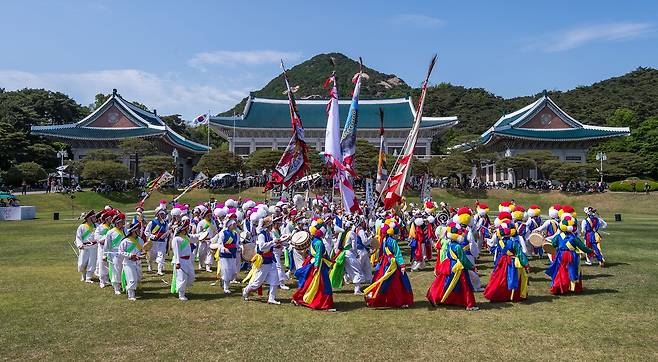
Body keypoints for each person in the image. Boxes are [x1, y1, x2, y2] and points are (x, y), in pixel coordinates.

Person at [427, 222, 478, 311]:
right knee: (464, 285)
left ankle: (440, 297)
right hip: (457, 267)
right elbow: (463, 260)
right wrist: (472, 267)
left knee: (445, 283)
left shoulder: (450, 245)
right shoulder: (458, 247)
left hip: (449, 265)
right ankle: (469, 303)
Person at [364, 219, 413, 308]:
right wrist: (402, 265)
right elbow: (397, 254)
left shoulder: (383, 239)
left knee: (381, 280)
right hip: (392, 264)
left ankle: (377, 298)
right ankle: (398, 300)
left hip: (384, 263)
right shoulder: (392, 241)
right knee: (396, 283)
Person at [292, 219, 335, 310]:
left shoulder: (314, 240)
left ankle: (299, 298)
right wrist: (316, 267)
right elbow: (319, 255)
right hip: (319, 266)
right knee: (324, 284)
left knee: (309, 284)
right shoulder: (319, 242)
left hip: (315, 264)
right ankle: (325, 304)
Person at [545, 215, 593, 295]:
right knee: (572, 271)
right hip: (571, 256)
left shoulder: (558, 236)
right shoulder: (574, 238)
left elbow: (553, 244)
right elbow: (582, 247)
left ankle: (558, 287)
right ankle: (573, 287)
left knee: (560, 271)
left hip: (561, 255)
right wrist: (590, 251)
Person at [483, 221, 529, 302]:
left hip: (501, 261)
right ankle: (511, 295)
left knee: (499, 278)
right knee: (511, 278)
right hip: (511, 262)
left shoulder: (499, 242)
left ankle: (496, 294)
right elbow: (520, 254)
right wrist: (526, 264)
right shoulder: (513, 243)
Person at [242, 216, 281, 305]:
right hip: (264, 261)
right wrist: (273, 242)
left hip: (271, 260)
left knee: (275, 279)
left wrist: (277, 244)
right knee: (257, 282)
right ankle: (246, 290)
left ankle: (271, 298)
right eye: (271, 224)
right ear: (268, 225)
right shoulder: (262, 235)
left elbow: (270, 245)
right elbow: (262, 247)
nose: (273, 226)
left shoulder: (269, 234)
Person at [171, 218, 198, 301]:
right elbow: (176, 252)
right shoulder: (176, 239)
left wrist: (203, 235)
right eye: (186, 228)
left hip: (188, 260)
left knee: (191, 276)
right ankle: (181, 294)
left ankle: (182, 289)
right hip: (181, 260)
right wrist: (177, 262)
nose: (187, 229)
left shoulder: (186, 237)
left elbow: (194, 238)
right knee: (181, 277)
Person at [213, 217, 241, 294]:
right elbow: (220, 243)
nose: (235, 226)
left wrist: (239, 248)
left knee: (233, 271)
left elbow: (236, 244)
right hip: (224, 255)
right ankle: (226, 287)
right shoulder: (223, 233)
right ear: (229, 225)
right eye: (233, 224)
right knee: (226, 270)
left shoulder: (235, 234)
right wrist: (224, 249)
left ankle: (223, 280)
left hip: (233, 254)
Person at [118, 223, 144, 301]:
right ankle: (131, 295)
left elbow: (141, 250)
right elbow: (120, 252)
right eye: (138, 230)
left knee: (138, 278)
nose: (140, 231)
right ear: (133, 231)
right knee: (132, 279)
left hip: (138, 262)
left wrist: (142, 254)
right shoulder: (125, 241)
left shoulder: (140, 240)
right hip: (128, 263)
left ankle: (128, 289)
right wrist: (130, 255)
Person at [104, 213, 127, 295]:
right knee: (116, 271)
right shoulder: (110, 232)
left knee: (124, 270)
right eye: (121, 222)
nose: (123, 223)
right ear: (117, 222)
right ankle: (116, 287)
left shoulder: (126, 230)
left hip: (124, 253)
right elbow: (107, 245)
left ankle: (124, 284)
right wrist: (105, 255)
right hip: (115, 254)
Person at [144, 209, 170, 275]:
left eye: (164, 214)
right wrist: (152, 236)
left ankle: (159, 270)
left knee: (161, 255)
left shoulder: (165, 223)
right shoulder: (152, 222)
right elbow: (146, 232)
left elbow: (167, 232)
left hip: (162, 242)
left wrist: (165, 235)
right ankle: (150, 265)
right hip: (153, 242)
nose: (163, 216)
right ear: (158, 215)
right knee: (151, 256)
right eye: (162, 214)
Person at [75, 210, 98, 283]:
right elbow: (78, 237)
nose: (95, 218)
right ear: (88, 218)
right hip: (84, 247)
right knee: (82, 262)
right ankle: (83, 274)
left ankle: (88, 277)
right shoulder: (82, 226)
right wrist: (80, 244)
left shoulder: (97, 226)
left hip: (94, 246)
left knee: (92, 262)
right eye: (93, 217)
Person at [94, 210, 114, 288]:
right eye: (110, 218)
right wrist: (105, 238)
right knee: (102, 263)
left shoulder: (113, 227)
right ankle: (102, 280)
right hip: (102, 248)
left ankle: (109, 278)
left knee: (110, 264)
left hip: (111, 248)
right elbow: (97, 237)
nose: (112, 219)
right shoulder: (100, 227)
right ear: (106, 219)